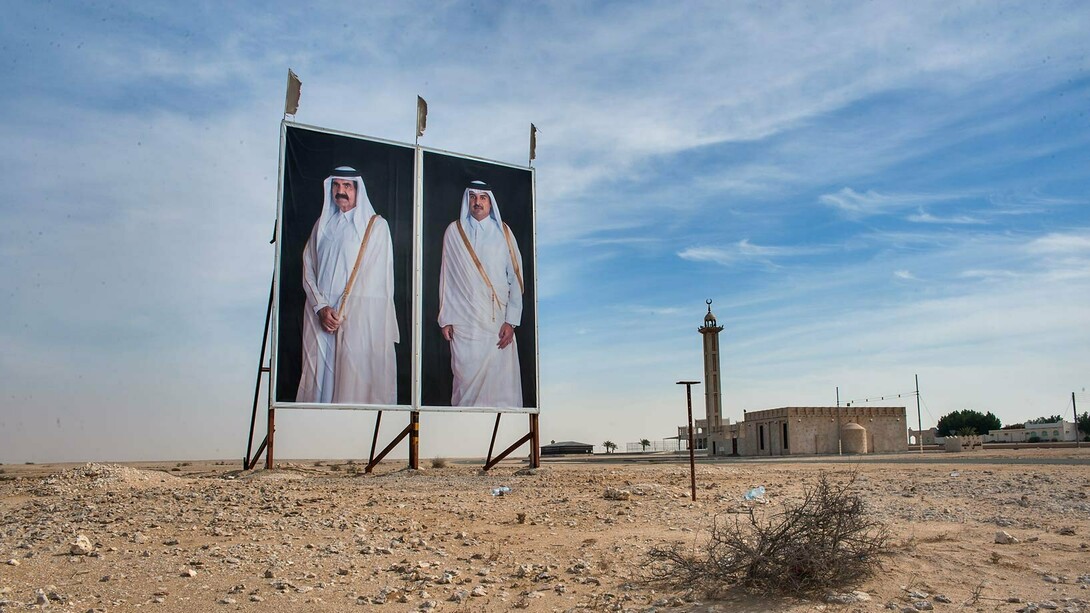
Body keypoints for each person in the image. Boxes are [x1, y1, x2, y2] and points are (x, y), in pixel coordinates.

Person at [296, 166, 398, 404]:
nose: (340, 191)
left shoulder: (376, 227)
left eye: (347, 186)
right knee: (318, 384)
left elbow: (375, 281)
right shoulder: (322, 225)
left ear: (358, 190)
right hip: (320, 318)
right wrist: (321, 307)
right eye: (336, 185)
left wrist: (340, 313)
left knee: (353, 386)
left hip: (355, 323)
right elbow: (307, 268)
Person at [438, 180, 524, 407]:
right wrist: (445, 318)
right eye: (473, 197)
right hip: (464, 323)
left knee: (500, 382)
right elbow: (447, 278)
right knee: (464, 381)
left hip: (496, 322)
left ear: (490, 202)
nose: (477, 202)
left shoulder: (503, 233)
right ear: (467, 200)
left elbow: (516, 279)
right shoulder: (454, 232)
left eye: (483, 197)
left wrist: (511, 321)